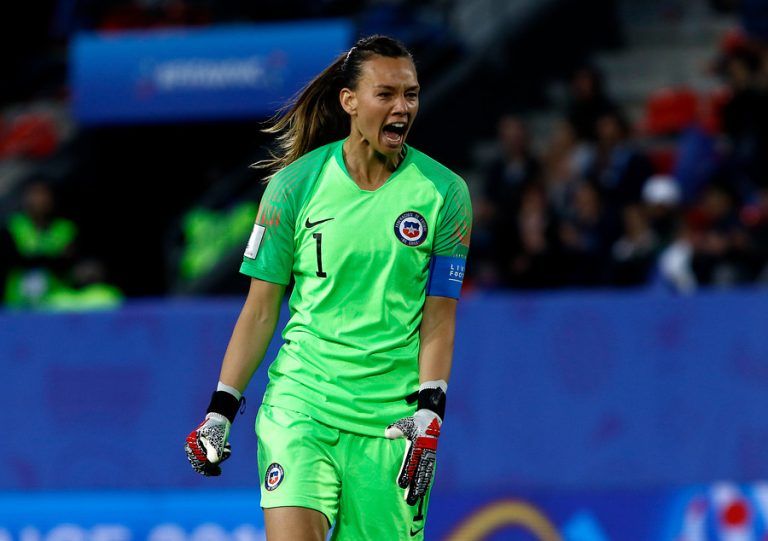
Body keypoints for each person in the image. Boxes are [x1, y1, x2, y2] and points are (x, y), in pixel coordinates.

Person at [183, 35, 472, 541]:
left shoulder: (444, 193)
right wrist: (220, 411)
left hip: (390, 423)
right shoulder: (293, 187)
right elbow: (258, 311)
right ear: (349, 101)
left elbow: (440, 316)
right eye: (386, 94)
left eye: (411, 94)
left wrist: (429, 414)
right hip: (302, 405)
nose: (402, 107)